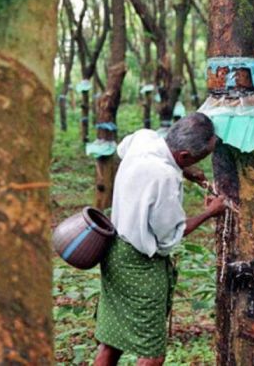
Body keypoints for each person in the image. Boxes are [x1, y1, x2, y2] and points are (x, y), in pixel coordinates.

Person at [94, 113, 228, 366]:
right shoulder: (165, 178)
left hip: (114, 252)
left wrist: (184, 169)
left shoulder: (145, 139)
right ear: (185, 155)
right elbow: (169, 237)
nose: (203, 161)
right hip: (139, 265)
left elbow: (124, 149)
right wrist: (210, 212)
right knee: (152, 353)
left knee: (111, 343)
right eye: (202, 156)